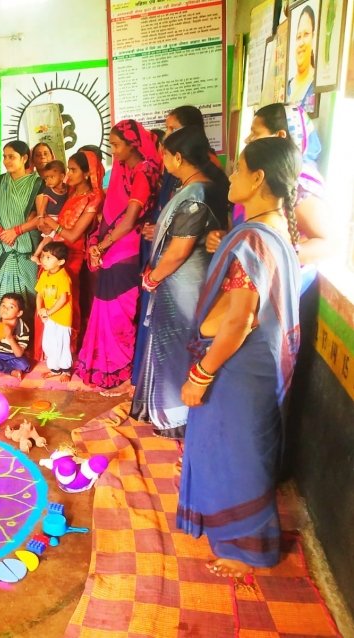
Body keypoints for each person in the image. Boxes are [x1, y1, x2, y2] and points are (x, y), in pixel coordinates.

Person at [177, 137, 302, 579]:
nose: (231, 176)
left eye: (239, 169)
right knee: (239, 449)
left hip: (238, 365)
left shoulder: (253, 238)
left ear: (258, 178)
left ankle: (245, 548)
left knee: (235, 453)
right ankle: (241, 540)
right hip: (258, 364)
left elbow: (240, 320)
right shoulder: (273, 230)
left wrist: (200, 374)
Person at [131, 126, 229, 438]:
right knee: (170, 343)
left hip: (183, 282)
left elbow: (179, 251)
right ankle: (165, 410)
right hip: (179, 280)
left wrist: (152, 277)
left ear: (177, 157)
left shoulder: (196, 194)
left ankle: (175, 417)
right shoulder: (194, 187)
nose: (162, 160)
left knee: (175, 345)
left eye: (164, 154)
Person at [74, 120, 161, 393]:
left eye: (116, 145)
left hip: (126, 248)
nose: (113, 151)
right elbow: (110, 213)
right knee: (104, 306)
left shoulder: (143, 172)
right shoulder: (122, 170)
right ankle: (101, 363)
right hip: (112, 247)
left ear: (133, 144)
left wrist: (103, 245)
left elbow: (130, 219)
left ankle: (118, 366)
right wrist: (99, 242)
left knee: (118, 312)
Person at [209, 103, 330, 275]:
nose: (247, 139)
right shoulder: (260, 178)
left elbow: (326, 245)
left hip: (279, 279)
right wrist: (228, 239)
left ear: (279, 136)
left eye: (255, 133)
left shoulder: (299, 185)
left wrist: (272, 255)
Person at [36, 150, 105, 355]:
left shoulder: (94, 197)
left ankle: (66, 352)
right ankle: (46, 352)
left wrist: (51, 224)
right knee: (46, 294)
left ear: (87, 173)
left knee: (66, 300)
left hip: (71, 255)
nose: (68, 175)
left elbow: (74, 235)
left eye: (73, 170)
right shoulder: (71, 192)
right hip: (54, 250)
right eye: (68, 169)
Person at [0, 141, 43, 320]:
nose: (6, 161)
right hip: (4, 247)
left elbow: (41, 217)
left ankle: (26, 333)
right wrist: (4, 235)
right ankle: (1, 331)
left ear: (24, 158)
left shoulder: (37, 183)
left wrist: (15, 232)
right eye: (4, 157)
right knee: (4, 291)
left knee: (30, 292)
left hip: (27, 247)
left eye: (11, 157)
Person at [35, 242, 73, 381]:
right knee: (48, 344)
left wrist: (48, 312)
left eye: (48, 257)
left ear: (60, 262)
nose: (43, 260)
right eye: (43, 256)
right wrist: (40, 311)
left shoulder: (63, 277)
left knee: (62, 344)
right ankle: (55, 369)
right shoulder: (44, 275)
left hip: (62, 318)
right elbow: (39, 294)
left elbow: (63, 299)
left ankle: (66, 371)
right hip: (49, 317)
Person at [0, 292, 31, 380]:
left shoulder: (23, 329)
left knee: (24, 364)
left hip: (12, 356)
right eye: (3, 305)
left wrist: (10, 337)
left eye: (11, 307)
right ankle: (11, 371)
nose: (5, 309)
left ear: (19, 313)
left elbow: (19, 354)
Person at [287, 5, 317, 110]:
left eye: (306, 34)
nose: (301, 43)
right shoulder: (286, 87)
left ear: (313, 37)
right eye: (298, 37)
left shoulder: (316, 86)